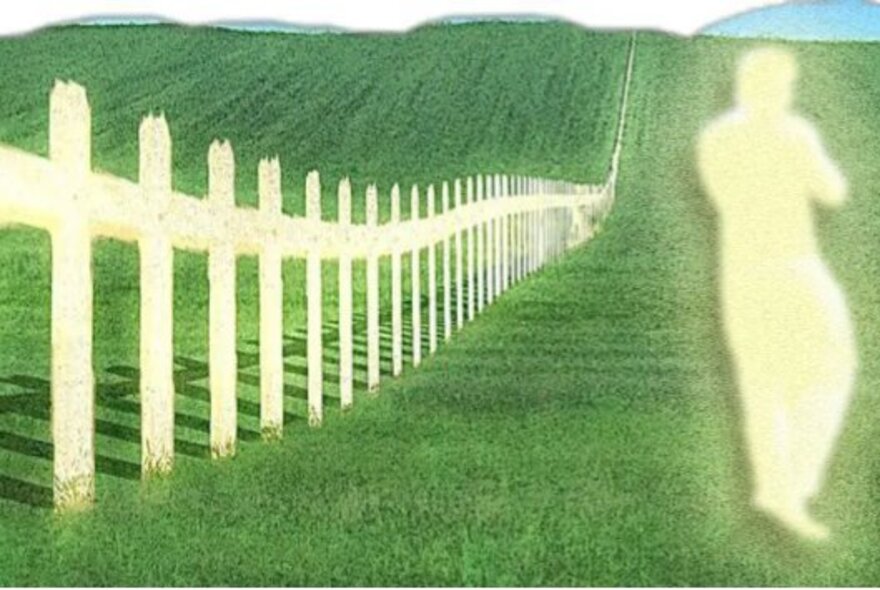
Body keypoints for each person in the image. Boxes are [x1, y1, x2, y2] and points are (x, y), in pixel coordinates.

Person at [697, 47, 856, 541]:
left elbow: (722, 195)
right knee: (834, 366)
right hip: (792, 262)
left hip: (740, 270)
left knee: (762, 382)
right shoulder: (794, 134)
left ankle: (776, 487)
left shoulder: (715, 137)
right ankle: (794, 482)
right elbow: (833, 191)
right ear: (777, 88)